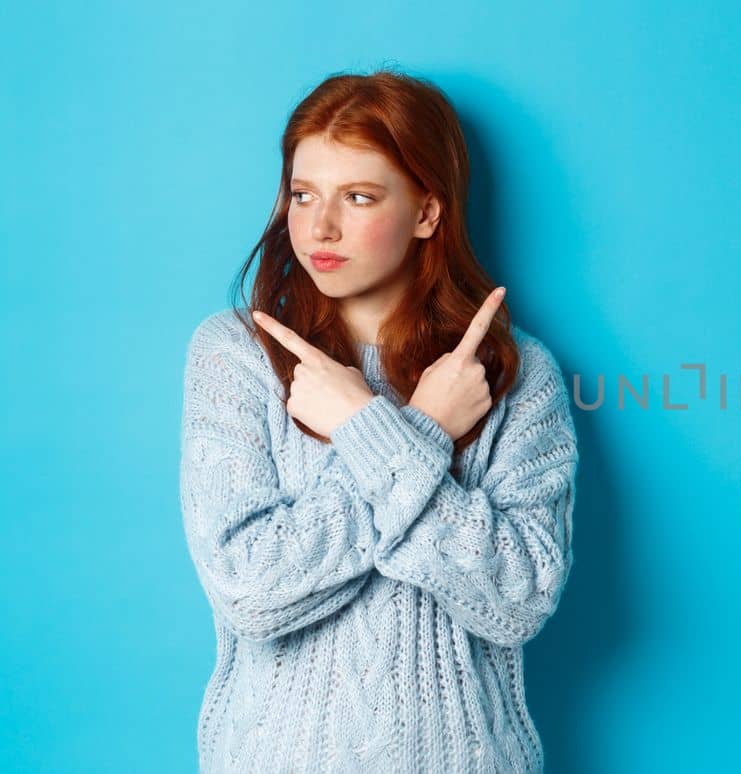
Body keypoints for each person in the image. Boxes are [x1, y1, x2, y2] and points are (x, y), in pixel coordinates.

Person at [178, 68, 578, 773]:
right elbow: (250, 590)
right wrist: (418, 430)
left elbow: (519, 600)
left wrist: (366, 427)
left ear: (428, 212)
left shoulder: (512, 372)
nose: (319, 227)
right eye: (303, 195)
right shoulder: (235, 354)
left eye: (358, 197)